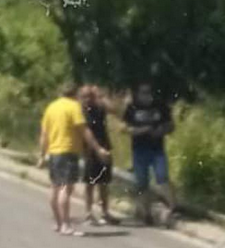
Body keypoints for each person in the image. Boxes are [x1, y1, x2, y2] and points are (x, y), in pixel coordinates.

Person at [38, 83, 110, 236]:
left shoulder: (51, 107)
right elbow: (84, 130)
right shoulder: (74, 107)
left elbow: (44, 134)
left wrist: (42, 154)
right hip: (68, 151)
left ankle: (59, 223)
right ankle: (65, 225)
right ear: (75, 94)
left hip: (54, 152)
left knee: (55, 188)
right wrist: (98, 149)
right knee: (66, 189)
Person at [123, 82, 177, 225]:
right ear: (138, 94)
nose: (146, 96)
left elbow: (171, 125)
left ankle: (172, 208)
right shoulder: (132, 108)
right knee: (142, 183)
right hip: (139, 150)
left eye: (149, 92)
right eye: (143, 92)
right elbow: (126, 128)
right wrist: (143, 130)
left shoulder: (160, 106)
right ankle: (146, 213)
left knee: (162, 177)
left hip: (157, 149)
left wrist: (161, 130)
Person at [79, 85, 119, 225]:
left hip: (104, 146)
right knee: (90, 183)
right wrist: (98, 149)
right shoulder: (81, 111)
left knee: (104, 183)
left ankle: (105, 212)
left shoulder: (99, 107)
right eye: (85, 96)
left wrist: (101, 96)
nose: (88, 99)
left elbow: (115, 110)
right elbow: (86, 132)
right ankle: (88, 213)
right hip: (90, 151)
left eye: (90, 96)